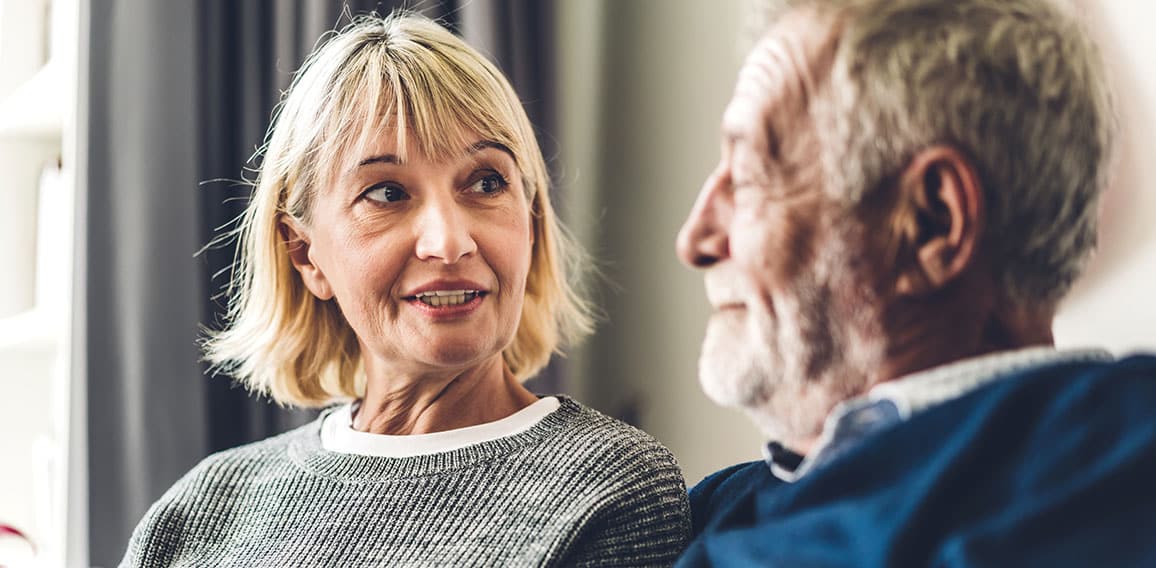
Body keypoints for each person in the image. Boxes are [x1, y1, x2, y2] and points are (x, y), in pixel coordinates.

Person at [121, 13, 690, 567]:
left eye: (486, 182)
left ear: (533, 220)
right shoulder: (198, 510)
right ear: (305, 254)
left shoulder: (614, 490)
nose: (448, 242)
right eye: (387, 193)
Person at [674, 0, 1156, 565]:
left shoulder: (1122, 461)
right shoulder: (703, 508)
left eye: (750, 178)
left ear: (931, 223)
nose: (694, 240)